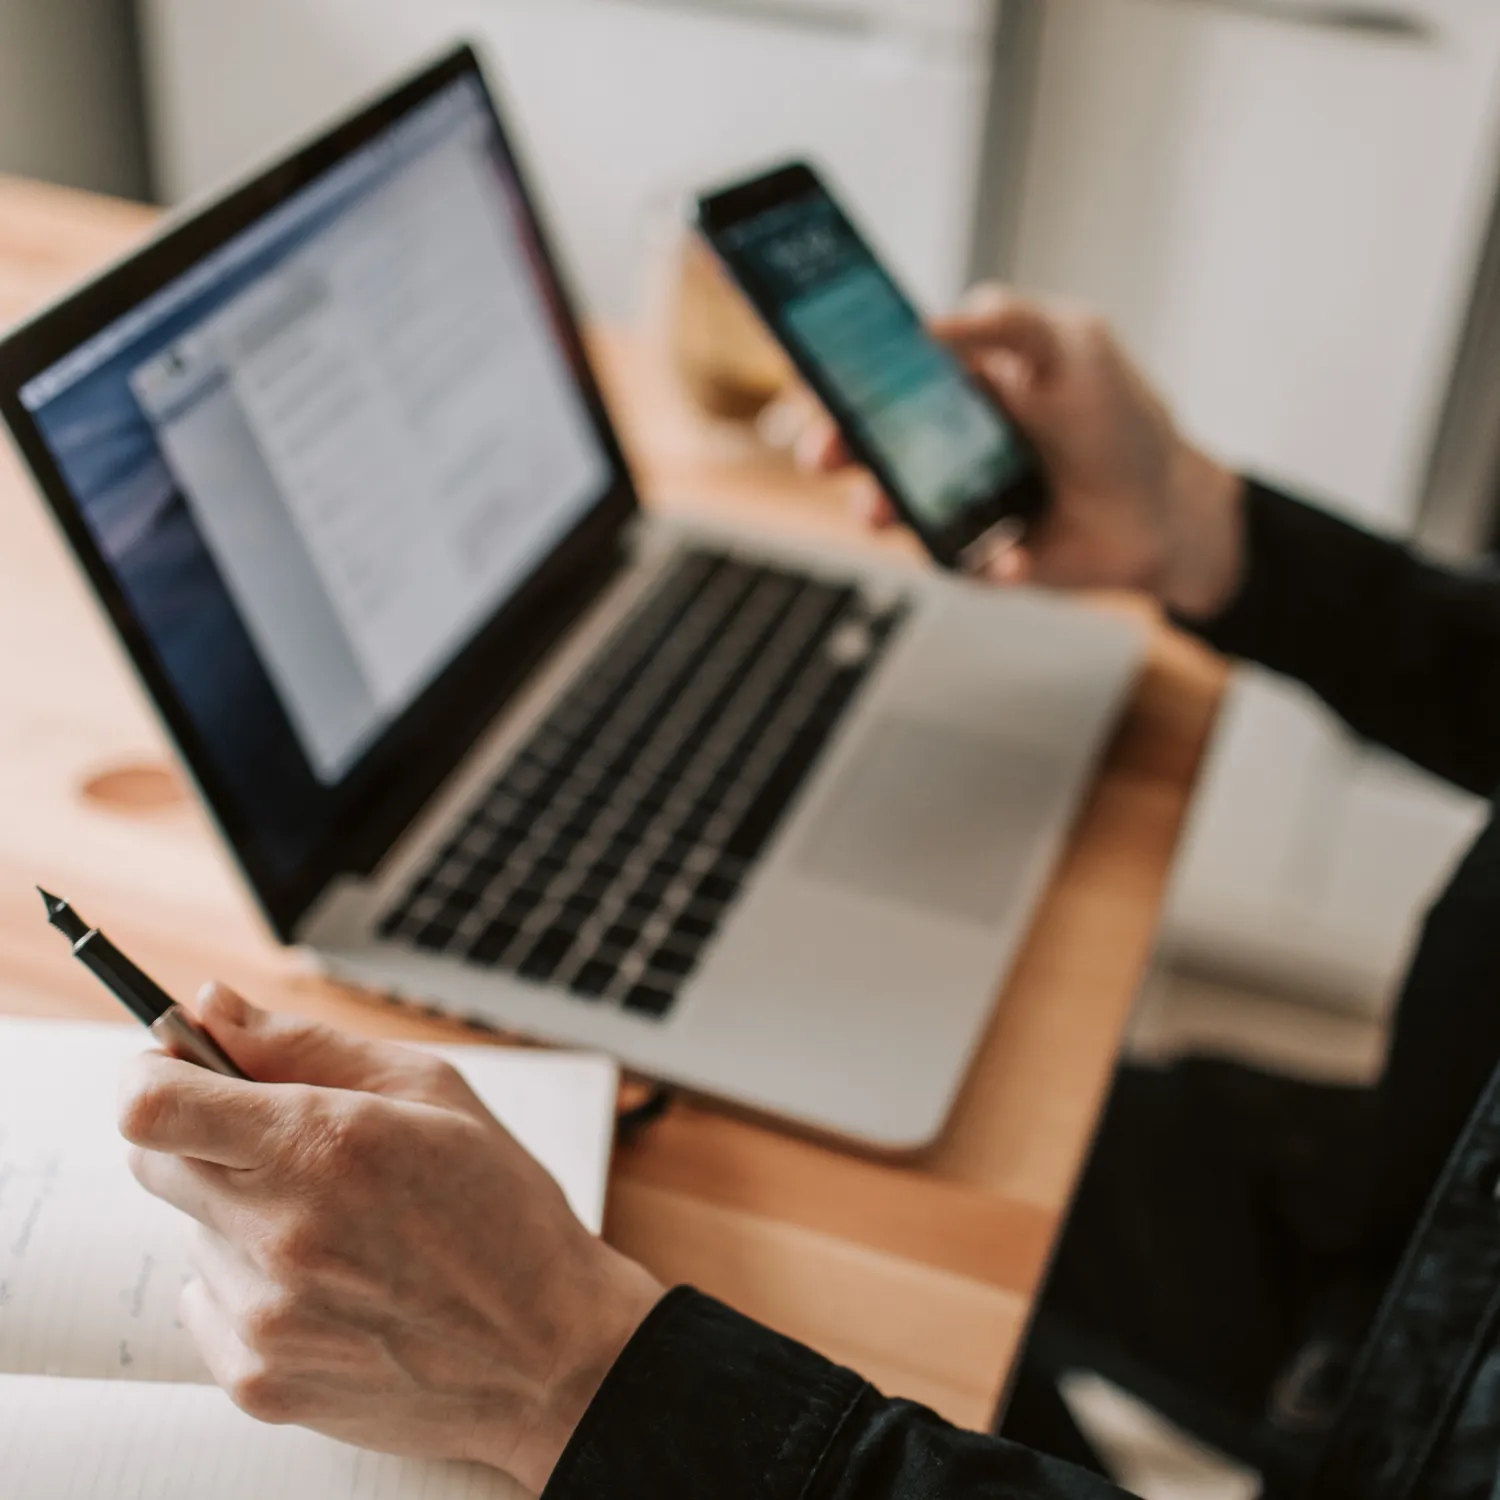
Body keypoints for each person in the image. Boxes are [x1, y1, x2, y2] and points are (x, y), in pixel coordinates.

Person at [119, 287, 1500, 1499]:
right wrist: (1205, 530)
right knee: (991, 1199)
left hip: (1408, 1387)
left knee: (898, 1290)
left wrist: (573, 1376)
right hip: (1414, 1183)